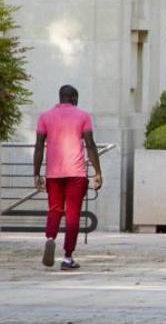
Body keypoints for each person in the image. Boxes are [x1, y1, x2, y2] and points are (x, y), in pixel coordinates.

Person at [33, 85, 103, 270]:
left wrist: (36, 173)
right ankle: (67, 257)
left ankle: (50, 237)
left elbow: (39, 146)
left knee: (54, 209)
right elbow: (90, 144)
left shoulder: (45, 117)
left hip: (53, 173)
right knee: (72, 215)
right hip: (76, 173)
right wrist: (98, 171)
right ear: (73, 98)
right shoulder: (83, 116)